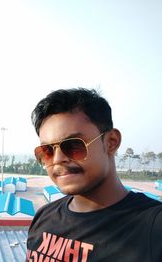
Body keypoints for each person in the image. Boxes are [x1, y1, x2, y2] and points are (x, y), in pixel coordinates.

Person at [26, 88, 162, 262]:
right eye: (47, 151)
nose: (58, 159)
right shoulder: (44, 217)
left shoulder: (153, 229)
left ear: (111, 142)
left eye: (74, 145)